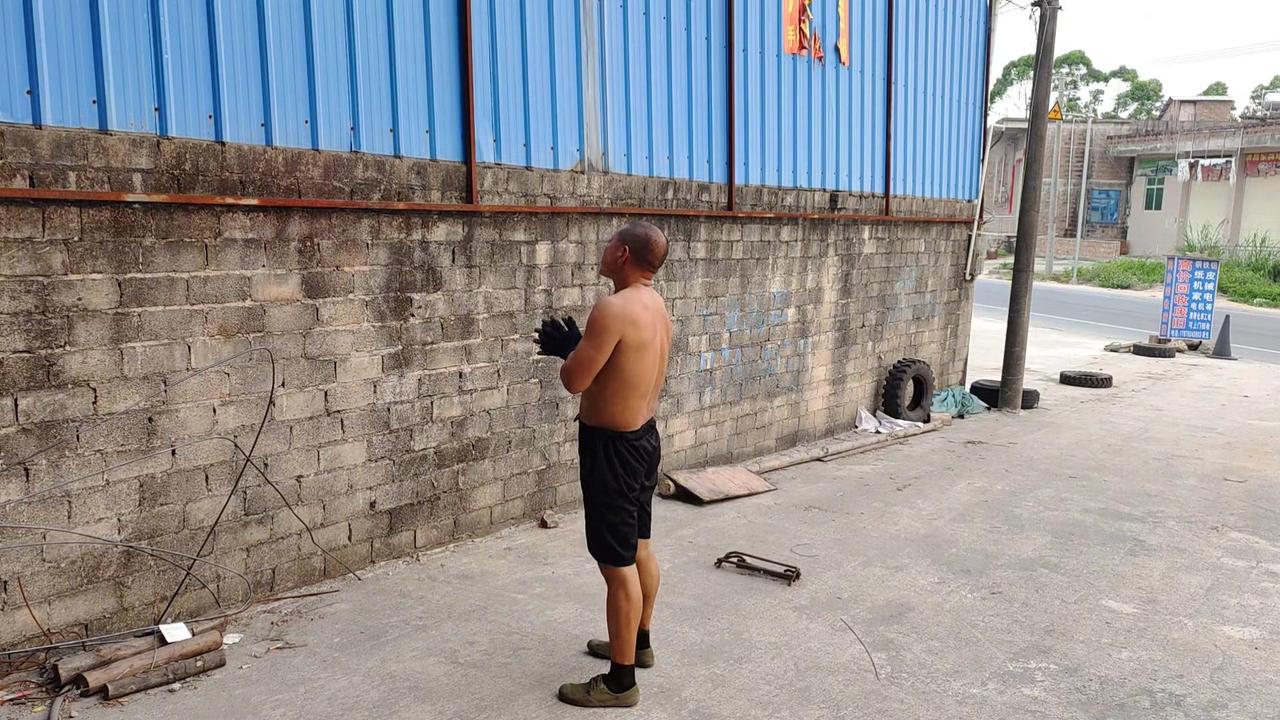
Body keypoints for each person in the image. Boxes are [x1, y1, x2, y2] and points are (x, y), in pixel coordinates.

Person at [535, 221, 672, 708]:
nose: (604, 247)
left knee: (616, 566)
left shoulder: (612, 309)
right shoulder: (656, 305)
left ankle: (620, 682)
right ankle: (638, 643)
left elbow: (575, 380)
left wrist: (568, 351)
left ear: (623, 254)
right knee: (640, 548)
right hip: (644, 440)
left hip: (612, 451)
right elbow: (619, 369)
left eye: (611, 242)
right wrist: (581, 346)